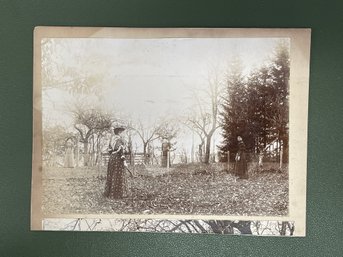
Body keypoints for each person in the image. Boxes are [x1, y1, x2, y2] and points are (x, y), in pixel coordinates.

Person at [104, 126, 128, 199]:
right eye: (122, 132)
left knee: (112, 174)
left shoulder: (112, 139)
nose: (123, 134)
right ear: (119, 132)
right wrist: (124, 161)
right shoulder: (120, 140)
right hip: (118, 159)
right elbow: (121, 150)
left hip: (112, 158)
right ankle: (118, 194)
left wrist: (113, 154)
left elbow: (109, 150)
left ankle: (109, 193)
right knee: (118, 175)